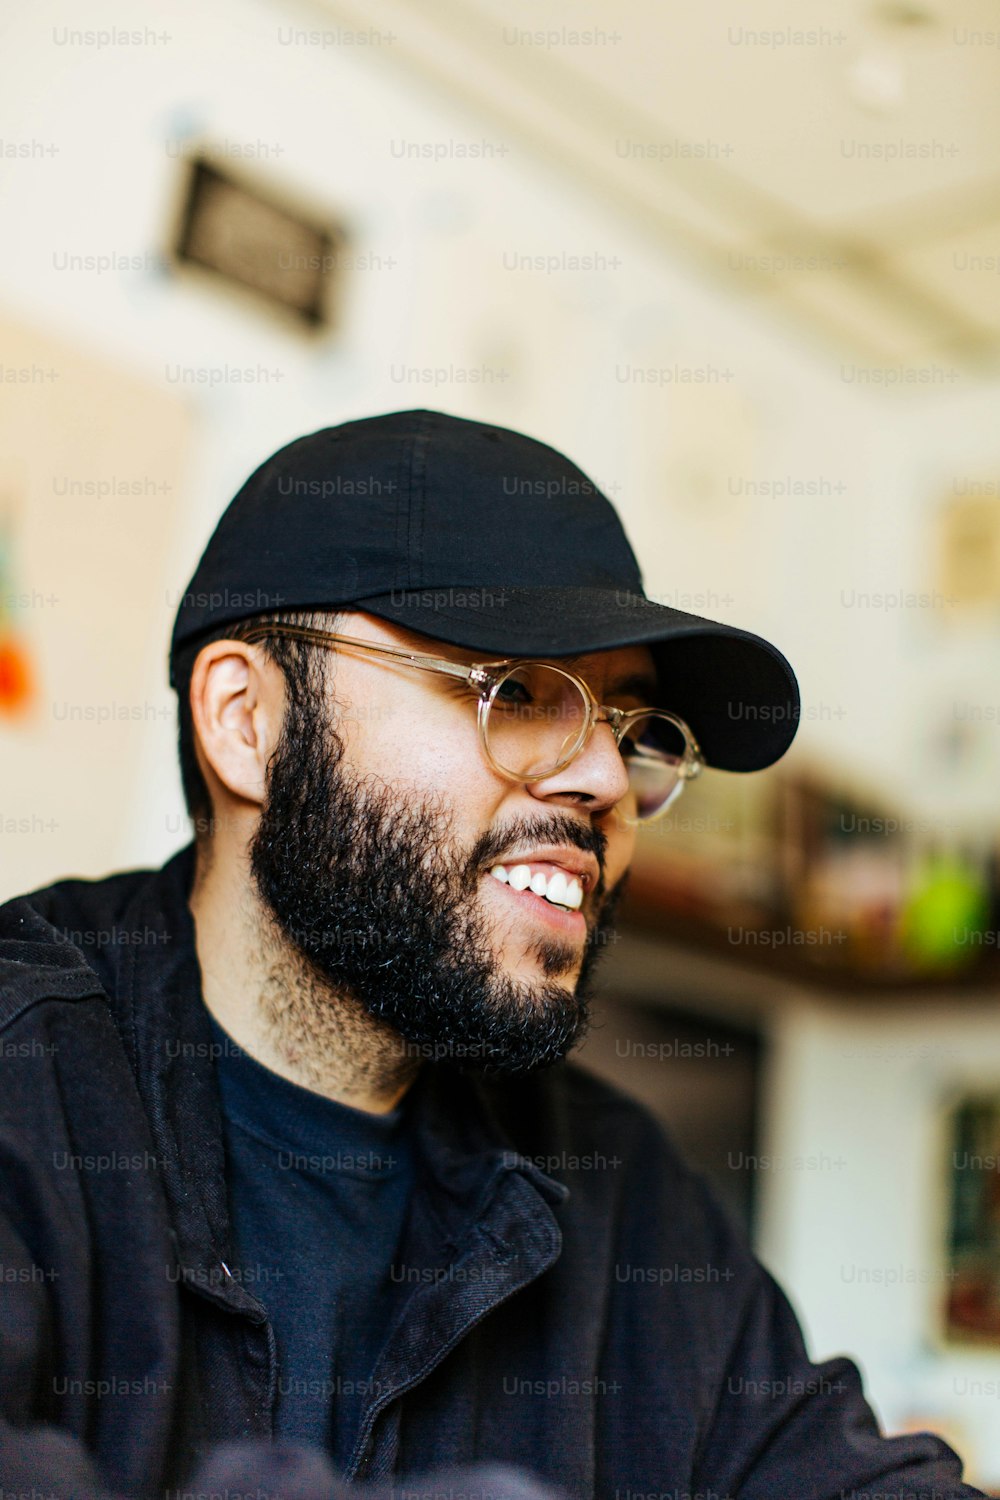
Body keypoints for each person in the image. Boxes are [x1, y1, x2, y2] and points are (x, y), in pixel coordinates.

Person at [0, 409, 983, 1500]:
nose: (606, 781)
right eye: (513, 691)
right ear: (246, 722)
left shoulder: (621, 1193)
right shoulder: (24, 1075)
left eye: (629, 726)